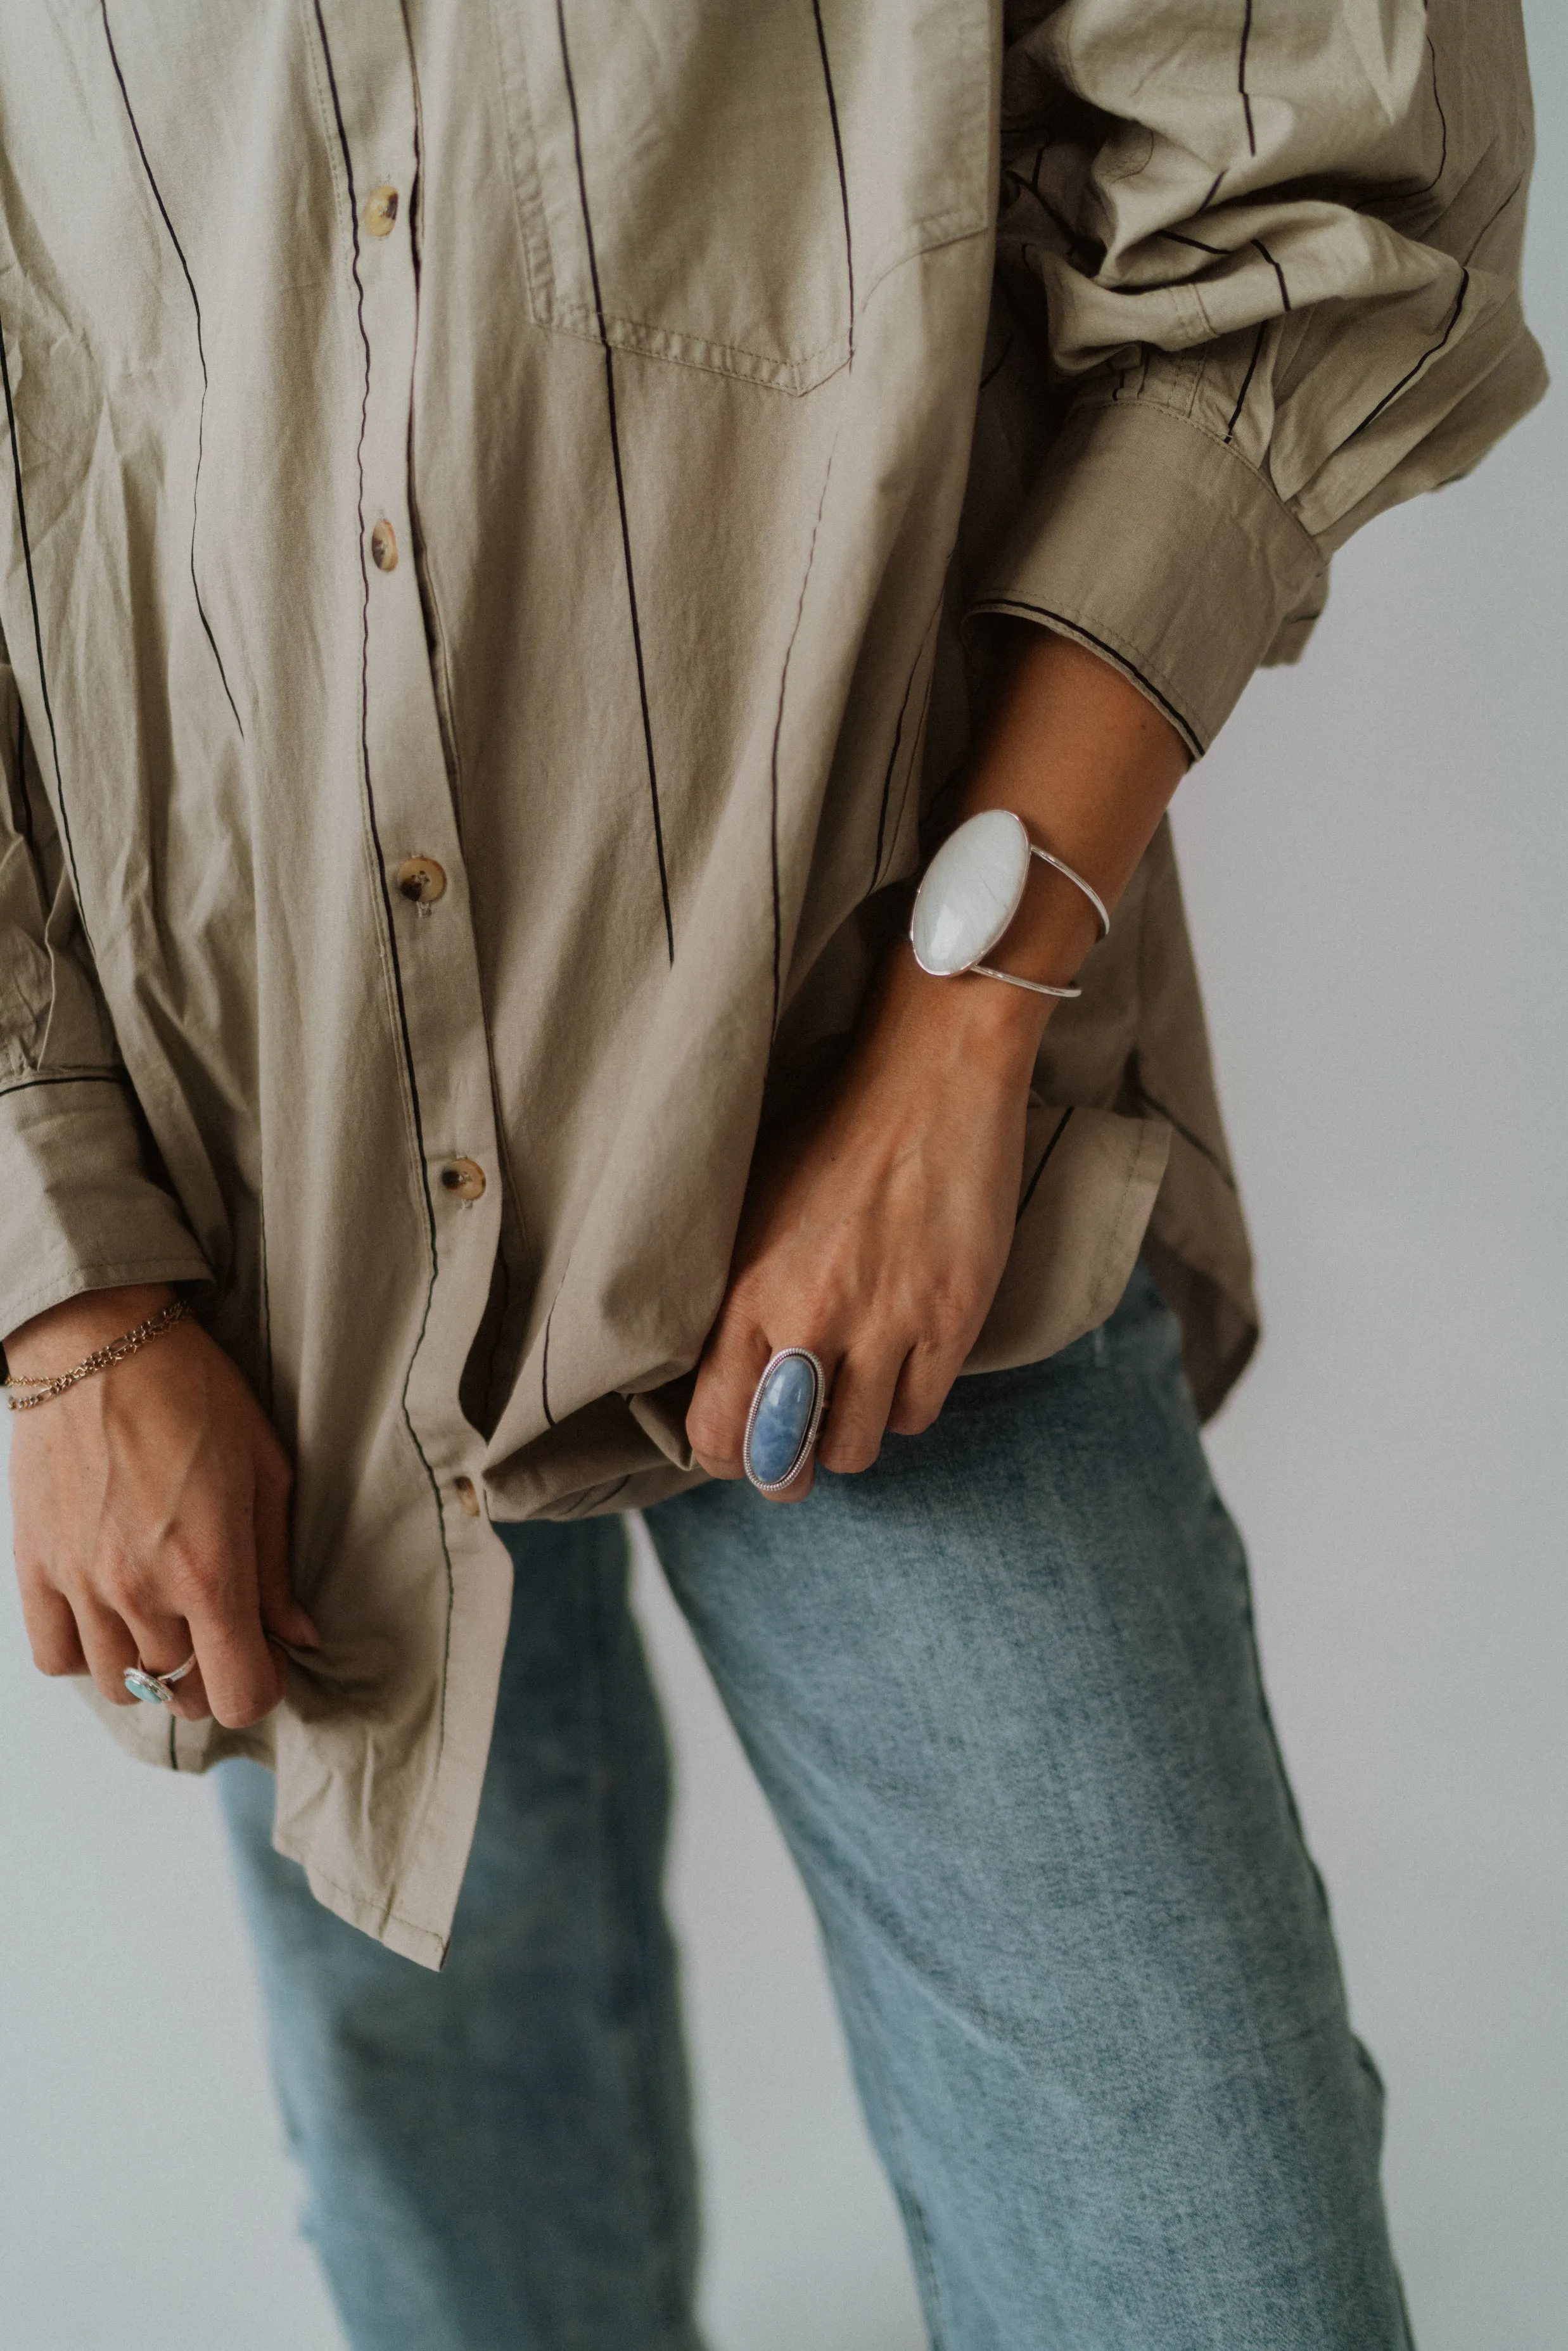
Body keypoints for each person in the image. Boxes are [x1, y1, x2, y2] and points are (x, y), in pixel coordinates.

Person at [0, 3, 1544, 2344]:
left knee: (1218, 2270)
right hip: (257, 1238)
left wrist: (962, 1029)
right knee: (473, 2232)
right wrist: (62, 1289)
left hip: (873, 1150)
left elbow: (1322, 192)